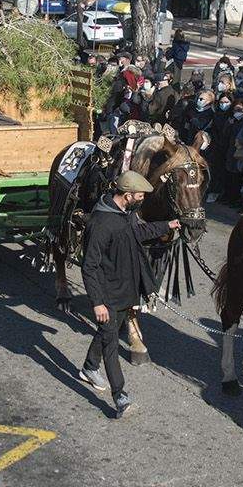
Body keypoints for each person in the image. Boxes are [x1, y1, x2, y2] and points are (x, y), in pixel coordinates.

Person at [75, 171, 180, 417]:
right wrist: (97, 303)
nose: (142, 199)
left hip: (126, 292)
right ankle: (120, 396)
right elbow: (89, 266)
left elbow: (138, 234)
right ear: (127, 195)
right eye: (140, 195)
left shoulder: (126, 215)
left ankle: (89, 367)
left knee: (106, 332)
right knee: (111, 342)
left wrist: (167, 225)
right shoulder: (101, 223)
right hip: (108, 295)